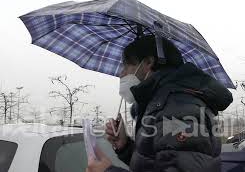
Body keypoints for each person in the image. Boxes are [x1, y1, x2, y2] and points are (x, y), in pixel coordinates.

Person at [86, 35, 233, 172]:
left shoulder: (177, 108)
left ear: (148, 62)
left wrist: (108, 171)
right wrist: (124, 146)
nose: (121, 73)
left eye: (127, 65)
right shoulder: (161, 105)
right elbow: (154, 164)